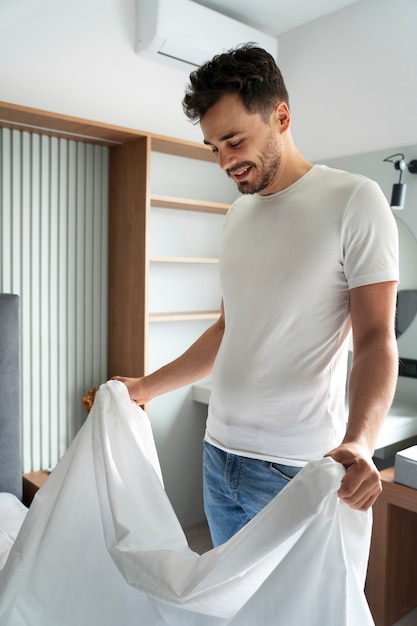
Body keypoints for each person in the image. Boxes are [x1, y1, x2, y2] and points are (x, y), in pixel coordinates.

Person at [113, 44, 399, 547]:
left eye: (234, 140)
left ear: (281, 117)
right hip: (219, 457)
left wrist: (360, 440)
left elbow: (376, 337)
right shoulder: (237, 216)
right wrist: (146, 388)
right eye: (213, 148)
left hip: (296, 469)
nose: (225, 161)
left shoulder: (355, 200)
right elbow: (229, 331)